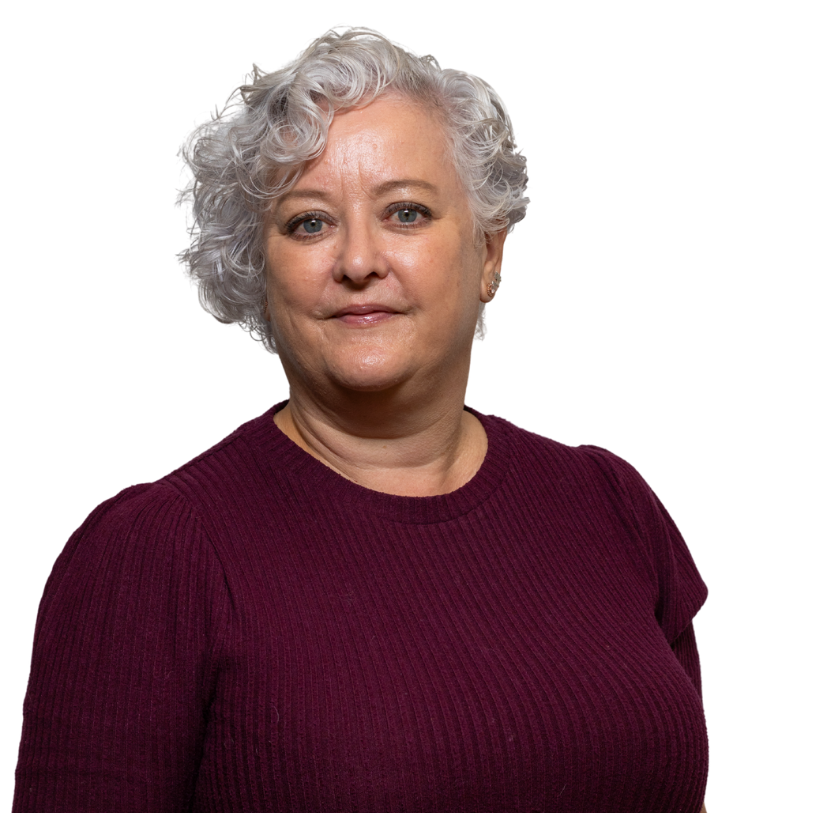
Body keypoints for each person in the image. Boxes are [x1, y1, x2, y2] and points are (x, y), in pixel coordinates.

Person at [13, 28, 709, 813]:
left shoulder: (609, 506)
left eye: (405, 212)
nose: (357, 260)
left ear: (488, 251)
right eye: (309, 223)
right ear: (254, 267)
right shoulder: (155, 554)